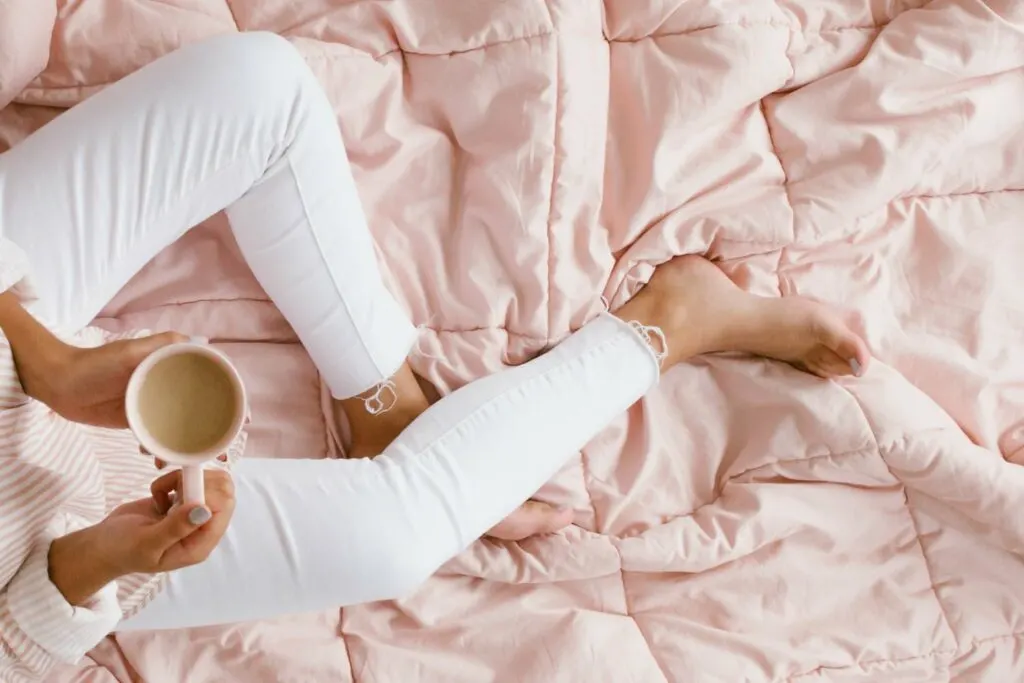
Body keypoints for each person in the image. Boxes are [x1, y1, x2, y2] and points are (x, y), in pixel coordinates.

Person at [0, 32, 870, 682]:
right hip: (47, 542)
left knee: (260, 87)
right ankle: (673, 322)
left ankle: (387, 411)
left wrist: (42, 356)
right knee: (395, 537)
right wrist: (96, 565)